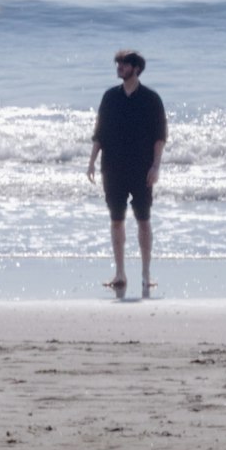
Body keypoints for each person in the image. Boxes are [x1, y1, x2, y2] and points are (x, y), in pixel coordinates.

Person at [87, 50, 168, 296]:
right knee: (116, 219)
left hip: (142, 168)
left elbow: (160, 136)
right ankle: (120, 272)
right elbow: (99, 133)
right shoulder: (110, 97)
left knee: (143, 219)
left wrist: (156, 166)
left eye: (123, 64)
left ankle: (145, 273)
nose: (119, 67)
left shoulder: (151, 99)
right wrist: (91, 162)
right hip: (112, 167)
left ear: (136, 68)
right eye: (118, 64)